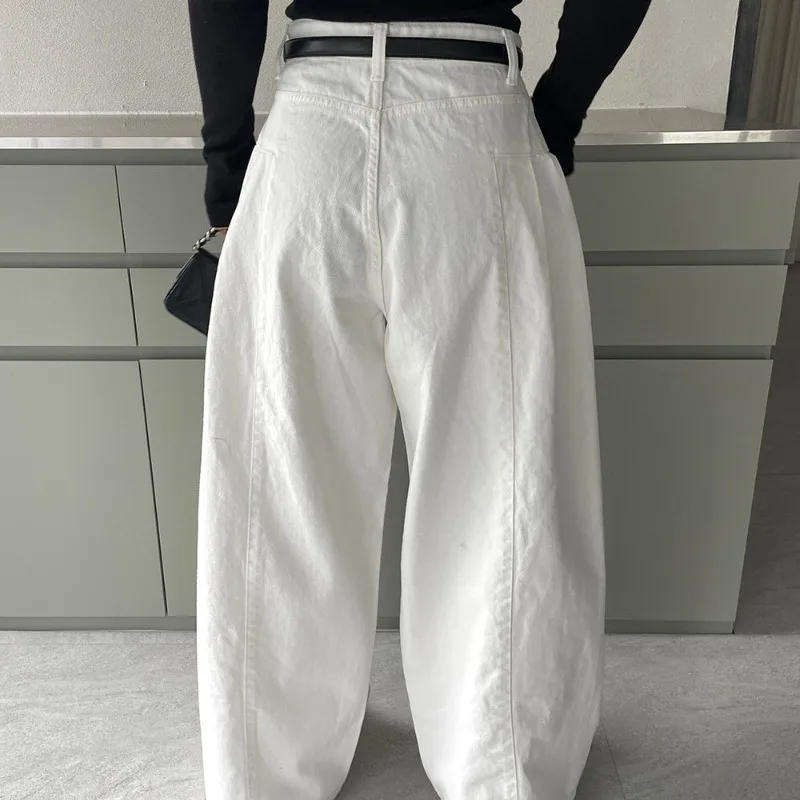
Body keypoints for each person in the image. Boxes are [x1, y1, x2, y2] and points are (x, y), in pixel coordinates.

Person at [187, 2, 651, 799]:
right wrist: (555, 115)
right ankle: (501, 770)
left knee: (282, 487)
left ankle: (264, 772)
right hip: (473, 125)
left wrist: (228, 162)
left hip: (311, 133)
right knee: (500, 488)